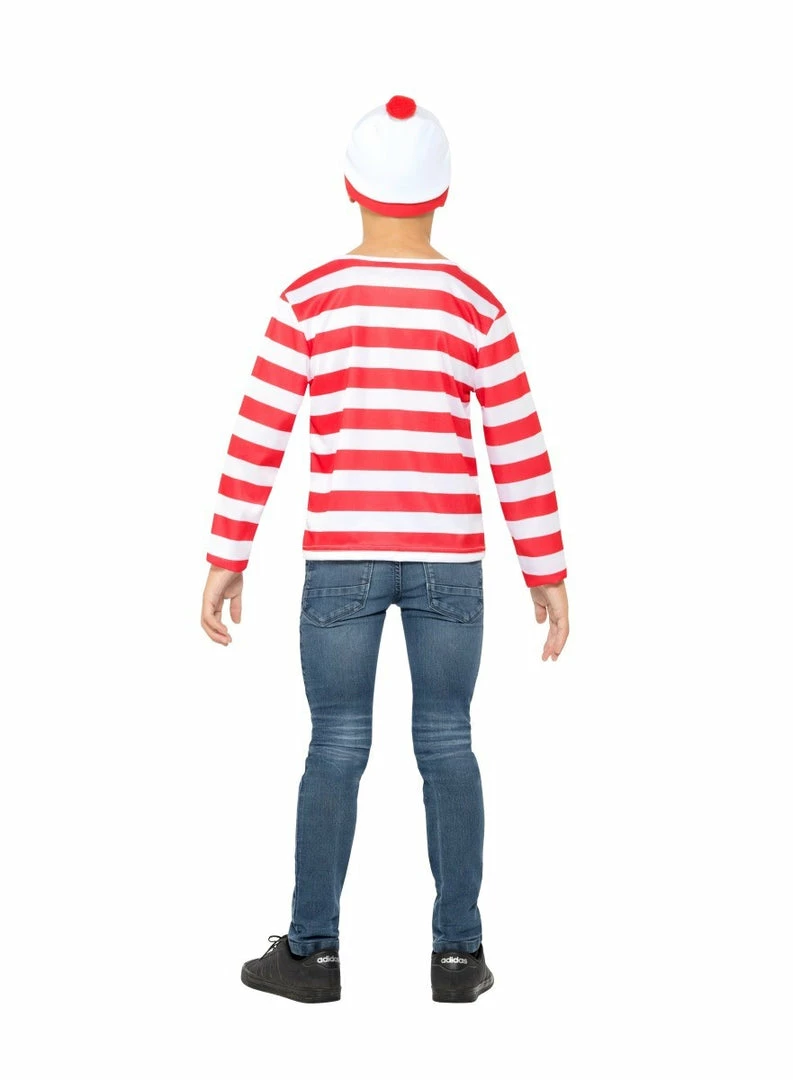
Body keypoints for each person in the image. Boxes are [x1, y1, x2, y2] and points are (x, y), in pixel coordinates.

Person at [200, 95, 570, 1004]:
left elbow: (259, 434)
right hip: (450, 561)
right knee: (448, 741)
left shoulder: (310, 299)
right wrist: (547, 570)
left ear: (350, 188)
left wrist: (227, 552)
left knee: (335, 743)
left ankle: (312, 955)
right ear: (443, 193)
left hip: (343, 559)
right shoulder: (477, 305)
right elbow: (519, 447)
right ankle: (459, 957)